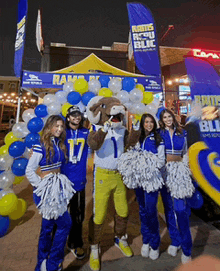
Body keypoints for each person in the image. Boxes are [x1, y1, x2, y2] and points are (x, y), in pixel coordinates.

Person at [26, 115, 75, 271]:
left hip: (57, 191)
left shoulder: (60, 144)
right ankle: (52, 263)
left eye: (61, 126)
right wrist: (42, 186)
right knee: (65, 224)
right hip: (46, 193)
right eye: (56, 126)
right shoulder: (40, 145)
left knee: (47, 228)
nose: (59, 129)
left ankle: (42, 263)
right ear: (49, 127)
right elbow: (29, 170)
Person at [158, 108, 194, 264]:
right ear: (161, 119)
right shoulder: (159, 134)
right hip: (165, 173)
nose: (167, 119)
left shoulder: (182, 133)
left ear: (173, 117)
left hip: (180, 173)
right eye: (164, 117)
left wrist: (185, 167)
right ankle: (175, 241)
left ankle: (187, 249)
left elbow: (186, 152)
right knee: (168, 209)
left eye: (169, 116)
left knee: (180, 210)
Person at [60, 105, 89, 260]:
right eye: (73, 115)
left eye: (78, 115)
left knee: (78, 216)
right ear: (68, 117)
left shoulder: (86, 132)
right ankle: (58, 244)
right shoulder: (62, 132)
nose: (76, 117)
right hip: (63, 181)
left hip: (79, 181)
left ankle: (75, 243)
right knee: (60, 215)